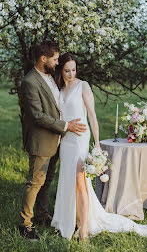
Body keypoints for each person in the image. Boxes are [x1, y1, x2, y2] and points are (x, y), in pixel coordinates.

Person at [51, 52, 147, 241]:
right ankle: (70, 218)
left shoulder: (83, 86)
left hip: (80, 140)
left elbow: (92, 116)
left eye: (74, 70)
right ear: (61, 70)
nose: (71, 74)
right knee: (68, 181)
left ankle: (83, 230)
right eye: (67, 70)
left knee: (81, 182)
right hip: (66, 140)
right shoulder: (58, 88)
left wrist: (97, 144)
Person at [19, 41, 87, 240]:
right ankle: (25, 224)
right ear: (43, 59)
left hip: (57, 140)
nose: (57, 63)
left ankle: (40, 215)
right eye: (55, 59)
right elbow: (37, 115)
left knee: (47, 180)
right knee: (35, 182)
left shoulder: (50, 77)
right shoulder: (30, 81)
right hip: (42, 141)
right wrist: (66, 126)